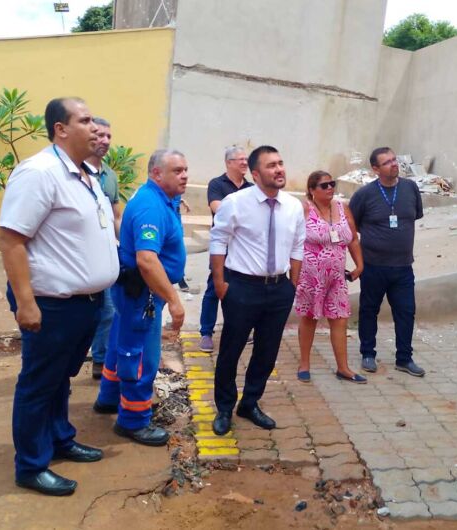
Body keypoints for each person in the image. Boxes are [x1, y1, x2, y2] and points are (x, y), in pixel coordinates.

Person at [0, 97, 119, 496]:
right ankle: (31, 465)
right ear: (61, 129)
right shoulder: (39, 173)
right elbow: (11, 239)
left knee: (60, 380)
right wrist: (26, 302)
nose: (95, 129)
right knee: (38, 382)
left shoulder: (86, 175)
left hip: (85, 303)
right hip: (51, 303)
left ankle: (60, 440)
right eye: (85, 121)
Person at [208, 145, 305, 436]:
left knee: (267, 350)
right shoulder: (235, 202)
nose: (279, 169)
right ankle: (225, 407)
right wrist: (219, 282)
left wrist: (293, 282)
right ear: (255, 173)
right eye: (271, 165)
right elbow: (218, 240)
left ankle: (250, 402)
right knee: (231, 349)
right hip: (241, 287)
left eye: (281, 163)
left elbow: (299, 244)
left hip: (279, 289)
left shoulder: (293, 205)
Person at [94, 149, 188, 446]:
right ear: (156, 174)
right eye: (177, 170)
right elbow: (147, 260)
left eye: (185, 169)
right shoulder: (151, 205)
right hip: (143, 292)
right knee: (140, 356)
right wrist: (173, 299)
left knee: (120, 344)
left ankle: (109, 398)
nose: (185, 175)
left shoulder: (160, 198)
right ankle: (133, 421)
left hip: (135, 291)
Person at [349, 147, 425, 377]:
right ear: (375, 169)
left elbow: (415, 215)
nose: (394, 164)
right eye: (387, 162)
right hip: (373, 265)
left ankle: (404, 358)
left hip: (403, 266)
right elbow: (353, 224)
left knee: (406, 311)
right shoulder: (365, 194)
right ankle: (368, 354)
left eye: (394, 160)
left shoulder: (410, 188)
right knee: (369, 310)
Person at [294, 171, 366, 384]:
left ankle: (343, 368)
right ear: (311, 190)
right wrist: (293, 272)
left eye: (331, 184)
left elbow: (352, 238)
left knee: (340, 319)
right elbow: (292, 240)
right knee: (309, 317)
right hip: (311, 275)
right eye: (324, 186)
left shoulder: (342, 207)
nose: (329, 189)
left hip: (336, 276)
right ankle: (304, 364)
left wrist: (360, 265)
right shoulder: (304, 210)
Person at [197, 145, 253, 353]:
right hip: (222, 246)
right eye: (241, 159)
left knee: (241, 290)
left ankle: (239, 330)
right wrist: (245, 215)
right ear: (229, 162)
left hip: (244, 246)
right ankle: (206, 333)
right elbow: (217, 209)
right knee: (215, 287)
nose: (245, 163)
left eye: (246, 159)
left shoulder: (250, 188)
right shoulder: (216, 184)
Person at [86, 117, 123, 380]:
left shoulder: (110, 176)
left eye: (109, 136)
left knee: (109, 310)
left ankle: (100, 361)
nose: (105, 141)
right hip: (79, 258)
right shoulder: (75, 171)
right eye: (99, 135)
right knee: (80, 315)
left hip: (107, 255)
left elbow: (116, 215)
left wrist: (125, 247)